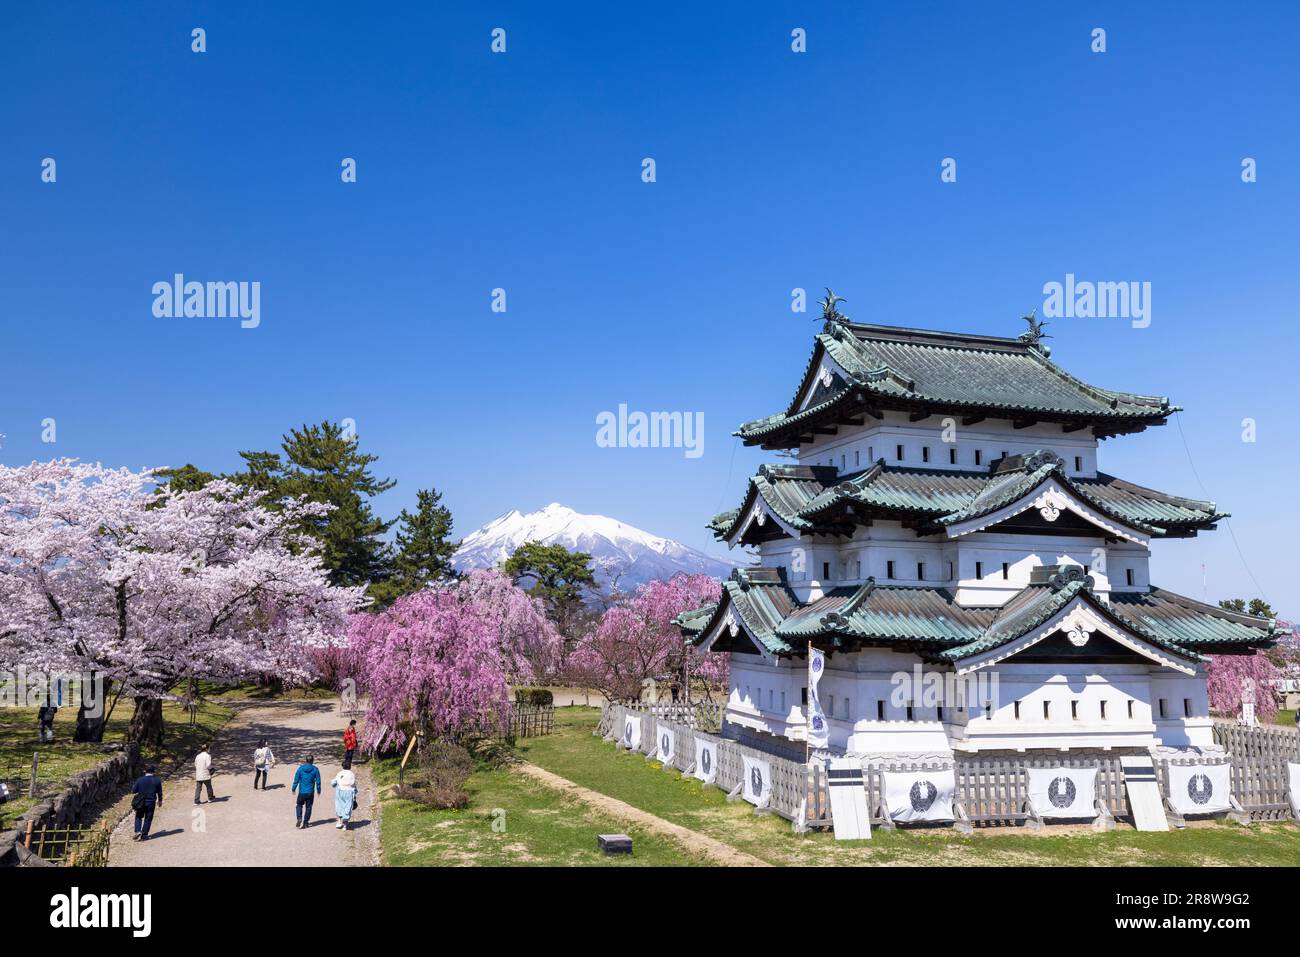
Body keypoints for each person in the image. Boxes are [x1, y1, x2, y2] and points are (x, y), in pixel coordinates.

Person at [131, 765, 163, 841]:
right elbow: (159, 792)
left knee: (138, 816)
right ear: (154, 771)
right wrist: (160, 800)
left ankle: (138, 831)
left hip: (141, 801)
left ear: (145, 771)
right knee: (148, 818)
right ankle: (144, 835)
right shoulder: (157, 780)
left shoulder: (140, 779)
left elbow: (134, 791)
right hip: (151, 801)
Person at [291, 754, 321, 828]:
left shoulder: (300, 769)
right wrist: (318, 790)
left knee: (299, 805)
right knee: (308, 807)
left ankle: (299, 817)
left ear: (306, 760)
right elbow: (318, 781)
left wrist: (293, 788)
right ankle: (305, 822)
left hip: (302, 792)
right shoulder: (315, 769)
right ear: (312, 761)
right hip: (310, 792)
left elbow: (296, 779)